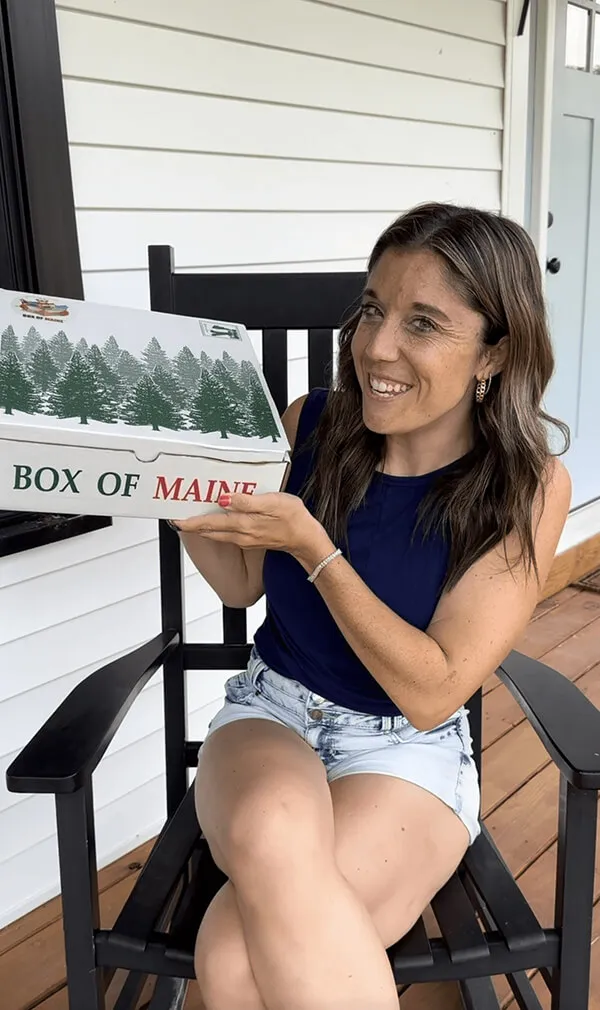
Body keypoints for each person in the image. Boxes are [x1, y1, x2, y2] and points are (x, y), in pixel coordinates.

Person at [172, 202, 572, 1010]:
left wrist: (315, 549)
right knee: (269, 829)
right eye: (371, 310)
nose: (375, 347)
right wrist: (174, 491)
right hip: (272, 713)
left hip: (407, 750)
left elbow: (432, 692)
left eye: (422, 323)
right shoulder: (310, 424)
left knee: (234, 954)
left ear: (495, 353)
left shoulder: (524, 487)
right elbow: (241, 584)